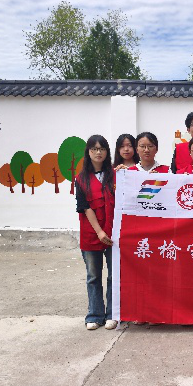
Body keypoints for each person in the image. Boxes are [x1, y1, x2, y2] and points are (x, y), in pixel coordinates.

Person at [75, 135, 117, 331]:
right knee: (93, 276)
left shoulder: (115, 175)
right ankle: (94, 315)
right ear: (88, 152)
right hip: (91, 233)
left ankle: (112, 314)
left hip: (113, 233)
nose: (98, 152)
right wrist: (99, 232)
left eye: (102, 149)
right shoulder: (81, 178)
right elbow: (84, 207)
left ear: (107, 152)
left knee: (113, 276)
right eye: (94, 149)